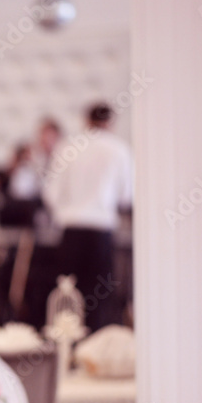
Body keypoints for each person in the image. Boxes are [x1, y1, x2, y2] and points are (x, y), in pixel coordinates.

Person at [43, 103, 132, 331]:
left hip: (71, 230)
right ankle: (93, 351)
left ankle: (67, 351)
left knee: (67, 295)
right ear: (110, 122)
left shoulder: (68, 147)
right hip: (101, 230)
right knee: (99, 297)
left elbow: (51, 193)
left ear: (86, 120)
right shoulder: (119, 149)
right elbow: (127, 196)